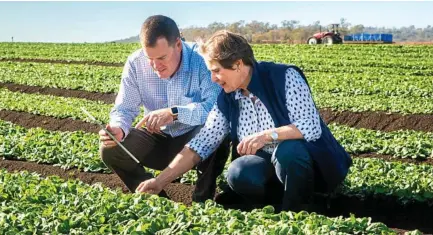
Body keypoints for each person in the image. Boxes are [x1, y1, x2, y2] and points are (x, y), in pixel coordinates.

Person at [136, 30, 352, 212]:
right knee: (239, 172)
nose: (213, 79)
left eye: (216, 71)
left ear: (238, 64)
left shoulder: (284, 77)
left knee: (289, 151)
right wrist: (160, 180)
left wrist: (268, 135)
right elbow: (201, 143)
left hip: (314, 166)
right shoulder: (228, 96)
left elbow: (311, 127)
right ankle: (275, 206)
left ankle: (300, 210)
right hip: (271, 166)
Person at [99, 15, 230, 202]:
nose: (155, 66)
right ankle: (157, 200)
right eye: (149, 58)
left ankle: (202, 201)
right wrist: (118, 129)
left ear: (177, 44)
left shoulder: (201, 60)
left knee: (218, 132)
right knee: (110, 149)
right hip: (156, 138)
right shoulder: (136, 63)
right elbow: (124, 108)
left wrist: (174, 113)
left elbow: (214, 108)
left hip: (193, 138)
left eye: (162, 57)